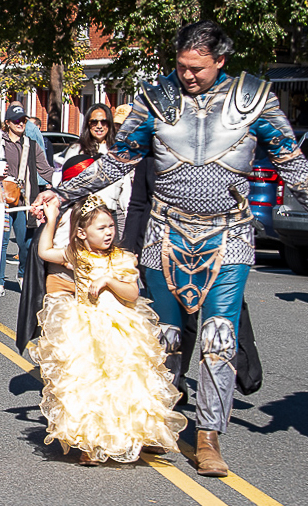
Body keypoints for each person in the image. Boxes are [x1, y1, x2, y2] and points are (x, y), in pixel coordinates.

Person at [35, 21, 308, 477]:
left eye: (198, 68)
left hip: (228, 235)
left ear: (220, 61)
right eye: (181, 67)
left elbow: (291, 162)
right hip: (166, 232)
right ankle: (163, 421)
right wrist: (63, 193)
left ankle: (209, 435)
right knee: (167, 340)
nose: (189, 75)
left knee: (219, 338)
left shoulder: (255, 98)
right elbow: (116, 162)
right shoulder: (154, 99)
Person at [32, 195, 189, 465]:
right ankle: (89, 443)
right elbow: (45, 252)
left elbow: (132, 292)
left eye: (111, 227)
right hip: (84, 327)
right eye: (101, 228)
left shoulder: (120, 258)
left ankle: (126, 436)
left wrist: (108, 281)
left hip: (120, 328)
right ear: (81, 233)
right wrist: (53, 217)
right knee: (87, 384)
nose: (108, 233)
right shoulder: (75, 254)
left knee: (123, 383)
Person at [1, 105, 54, 279]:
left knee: (26, 243)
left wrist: (66, 180)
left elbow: (45, 170)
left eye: (23, 120)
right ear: (7, 123)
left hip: (24, 201)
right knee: (2, 242)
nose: (20, 123)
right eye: (16, 120)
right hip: (2, 201)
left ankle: (23, 274)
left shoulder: (31, 145)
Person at [61, 102, 131, 226]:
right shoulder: (76, 150)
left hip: (109, 216)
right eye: (94, 122)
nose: (99, 126)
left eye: (103, 122)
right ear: (88, 124)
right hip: (82, 216)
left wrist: (129, 220)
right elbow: (66, 185)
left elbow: (126, 192)